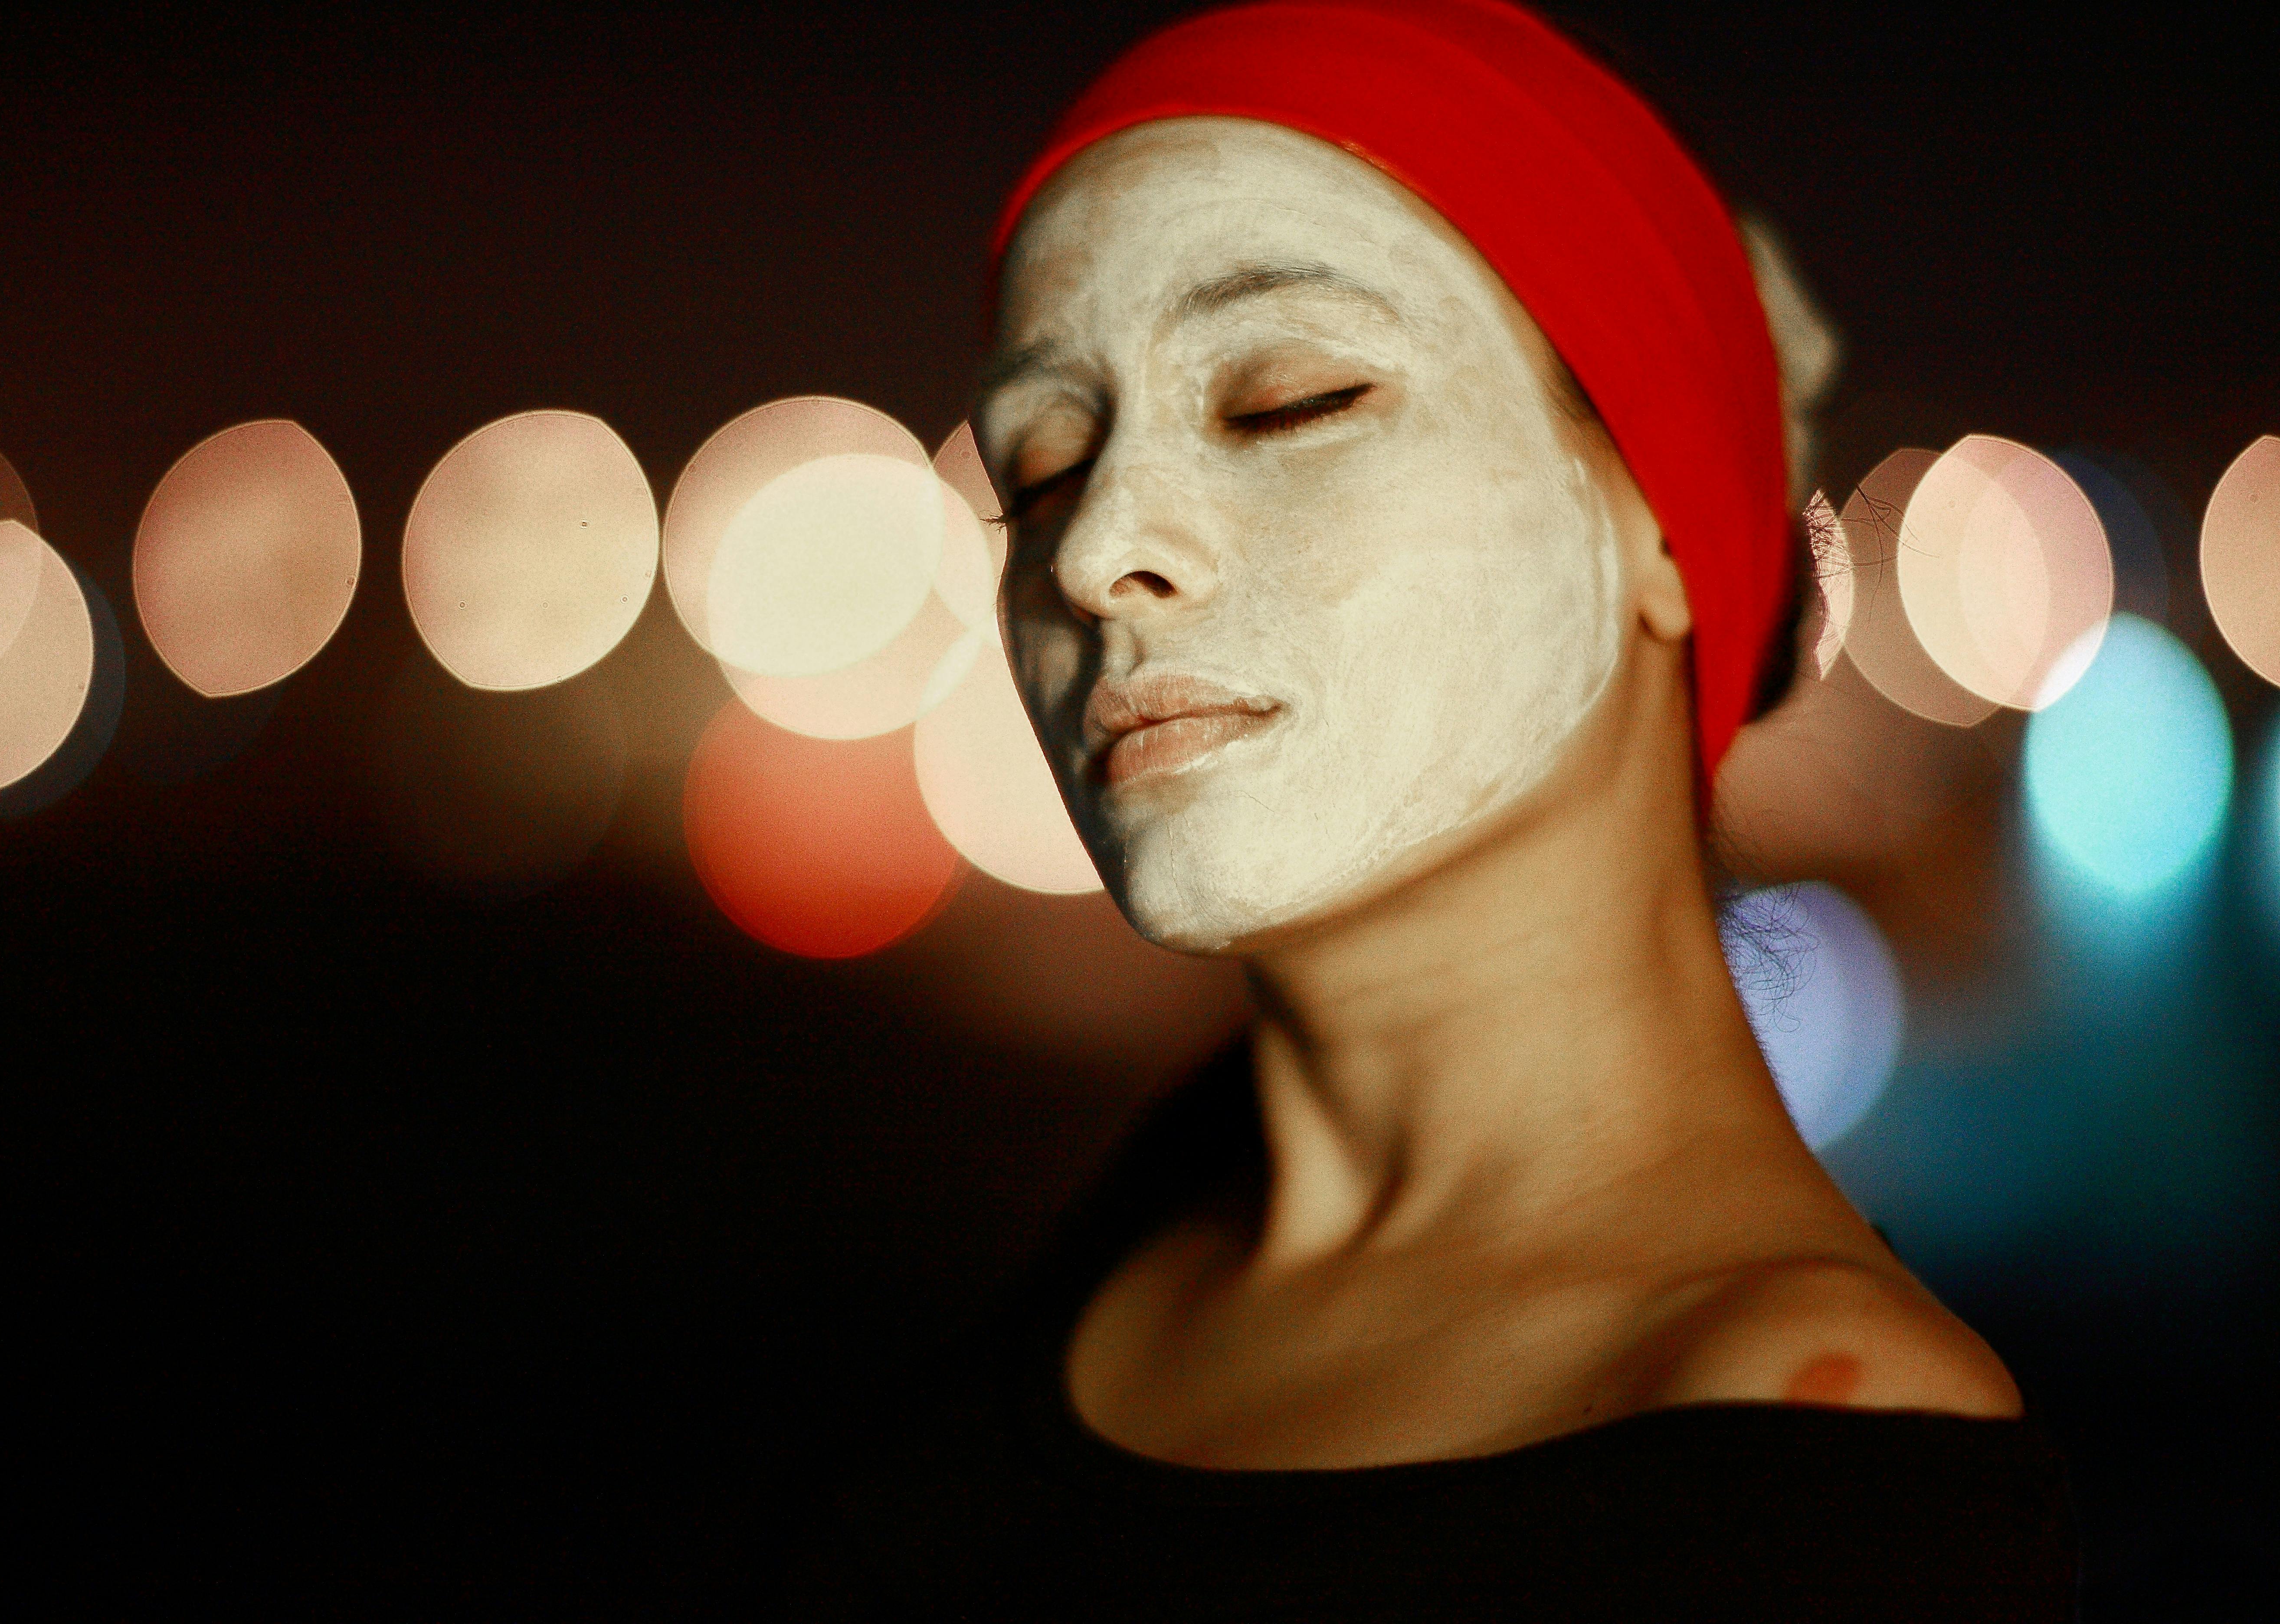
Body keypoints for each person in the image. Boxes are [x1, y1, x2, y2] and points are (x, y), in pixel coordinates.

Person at [793, 3, 2077, 1616]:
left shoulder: (1820, 1471)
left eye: (1290, 398)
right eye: (1040, 461)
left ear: (1663, 530)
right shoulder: (1113, 1234)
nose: (1090, 545)